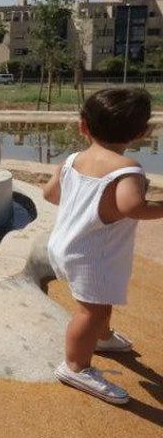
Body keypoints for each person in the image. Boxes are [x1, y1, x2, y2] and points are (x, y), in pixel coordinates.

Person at [42, 88, 163, 405]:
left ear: (83, 126)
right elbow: (132, 207)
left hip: (68, 244)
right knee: (90, 311)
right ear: (142, 132)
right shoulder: (127, 168)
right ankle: (75, 366)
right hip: (93, 255)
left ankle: (103, 338)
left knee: (100, 299)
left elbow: (50, 195)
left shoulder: (72, 160)